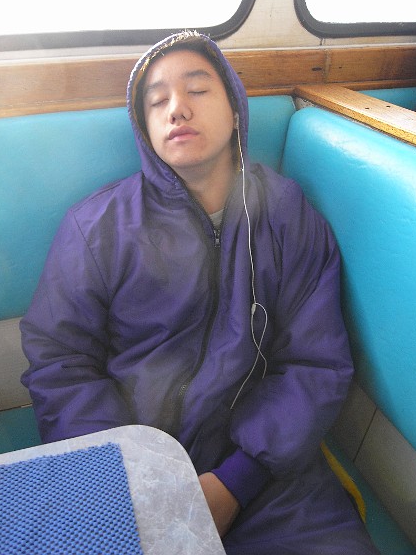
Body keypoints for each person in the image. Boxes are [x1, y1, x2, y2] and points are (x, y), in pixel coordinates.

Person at [21, 30, 379, 554]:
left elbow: (314, 363)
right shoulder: (96, 227)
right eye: (157, 101)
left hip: (268, 474)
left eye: (198, 90)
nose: (177, 109)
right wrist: (127, 473)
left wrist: (237, 480)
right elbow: (61, 362)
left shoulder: (288, 215)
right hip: (131, 468)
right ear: (144, 129)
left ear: (235, 110)